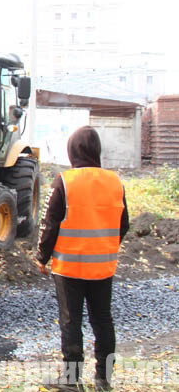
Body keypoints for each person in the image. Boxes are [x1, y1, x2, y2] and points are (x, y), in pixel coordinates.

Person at [36, 126, 129, 392]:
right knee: (103, 320)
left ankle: (72, 380)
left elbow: (49, 223)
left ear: (72, 150)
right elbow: (124, 223)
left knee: (71, 322)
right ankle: (104, 379)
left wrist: (42, 256)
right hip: (103, 265)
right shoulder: (116, 182)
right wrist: (106, 246)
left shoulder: (64, 181)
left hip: (70, 265)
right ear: (96, 151)